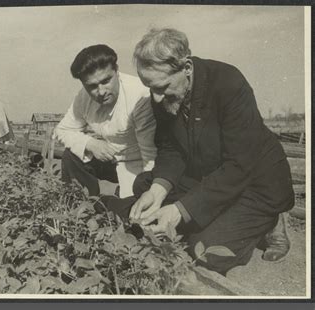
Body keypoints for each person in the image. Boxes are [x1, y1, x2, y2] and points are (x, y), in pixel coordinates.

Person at [102, 28, 294, 275]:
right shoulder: (163, 95)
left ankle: (270, 221)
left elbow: (238, 166)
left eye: (162, 86)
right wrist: (158, 190)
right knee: (145, 186)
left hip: (255, 183)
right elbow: (171, 148)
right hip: (213, 173)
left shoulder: (229, 84)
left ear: (187, 68)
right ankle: (217, 215)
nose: (157, 98)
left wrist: (181, 210)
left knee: (205, 250)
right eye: (150, 87)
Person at [55, 44, 157, 198]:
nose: (101, 91)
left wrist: (151, 194)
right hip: (112, 160)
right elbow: (62, 130)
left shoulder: (139, 95)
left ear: (116, 70)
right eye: (92, 86)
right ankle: (81, 207)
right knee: (72, 156)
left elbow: (150, 157)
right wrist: (91, 144)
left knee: (130, 214)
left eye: (106, 81)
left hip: (139, 164)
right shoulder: (84, 97)